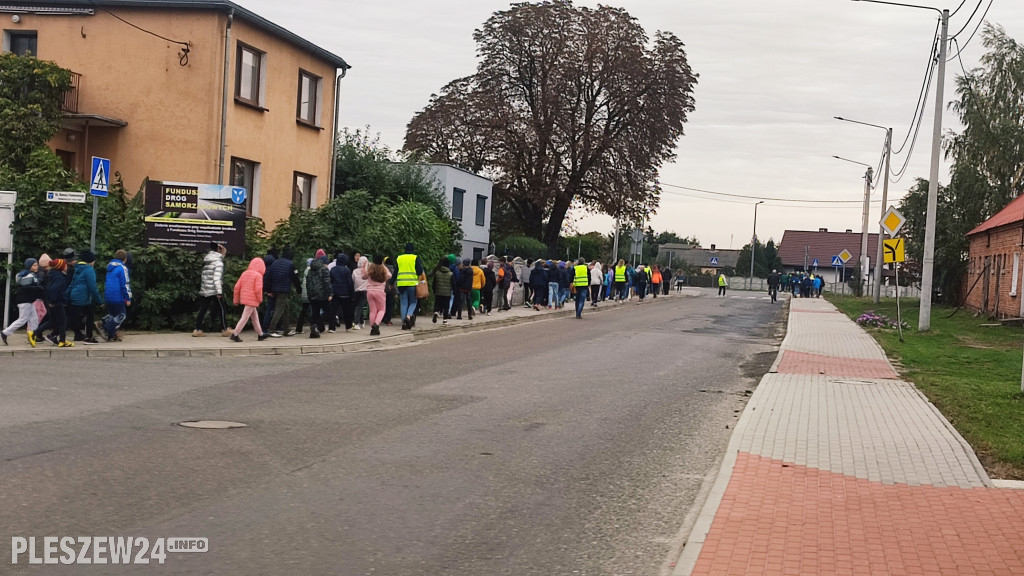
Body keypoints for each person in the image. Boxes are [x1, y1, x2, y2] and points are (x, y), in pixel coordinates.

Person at [1, 258, 43, 346]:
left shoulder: (28, 274)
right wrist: (38, 288)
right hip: (25, 301)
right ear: (29, 266)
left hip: (29, 301)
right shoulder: (29, 276)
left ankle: (32, 335)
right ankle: (5, 333)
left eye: (36, 265)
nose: (36, 266)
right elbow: (26, 288)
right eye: (34, 265)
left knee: (34, 319)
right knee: (22, 319)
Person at [193, 242, 229, 337]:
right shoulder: (218, 263)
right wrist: (219, 292)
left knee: (203, 309)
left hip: (206, 289)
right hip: (214, 290)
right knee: (222, 309)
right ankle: (225, 329)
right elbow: (216, 278)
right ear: (219, 250)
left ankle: (197, 329)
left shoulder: (208, 261)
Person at [229, 258, 269, 342]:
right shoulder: (258, 275)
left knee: (254, 317)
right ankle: (235, 334)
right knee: (245, 317)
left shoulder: (244, 273)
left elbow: (237, 287)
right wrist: (260, 299)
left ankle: (260, 334)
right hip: (253, 300)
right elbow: (258, 289)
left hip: (245, 299)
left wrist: (236, 299)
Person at [264, 247, 301, 337]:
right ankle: (271, 329)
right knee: (279, 310)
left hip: (274, 289)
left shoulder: (275, 262)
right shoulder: (290, 264)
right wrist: (299, 289)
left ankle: (286, 329)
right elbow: (295, 278)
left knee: (285, 309)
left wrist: (268, 290)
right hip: (283, 290)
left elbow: (269, 276)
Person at [67, 250, 101, 344]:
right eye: (93, 260)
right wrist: (99, 301)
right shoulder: (89, 270)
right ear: (90, 261)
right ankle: (89, 337)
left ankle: (78, 334)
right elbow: (92, 287)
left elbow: (72, 283)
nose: (94, 262)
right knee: (90, 315)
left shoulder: (78, 268)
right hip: (83, 297)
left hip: (75, 295)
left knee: (74, 316)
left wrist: (66, 296)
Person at [99, 249, 132, 342]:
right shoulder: (122, 268)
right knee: (121, 315)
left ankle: (111, 335)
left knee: (113, 315)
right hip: (118, 296)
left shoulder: (110, 268)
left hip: (109, 295)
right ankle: (106, 327)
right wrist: (127, 297)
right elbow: (125, 284)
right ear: (125, 259)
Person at [37, 258, 70, 346]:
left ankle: (35, 332)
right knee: (63, 321)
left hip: (53, 302)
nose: (67, 267)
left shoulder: (53, 275)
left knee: (52, 321)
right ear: (61, 267)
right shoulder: (60, 277)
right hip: (57, 302)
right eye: (65, 265)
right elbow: (54, 290)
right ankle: (62, 341)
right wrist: (53, 301)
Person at [395, 243, 424, 330]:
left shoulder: (399, 258)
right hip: (412, 283)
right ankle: (408, 317)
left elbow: (395, 271)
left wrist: (391, 282)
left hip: (401, 284)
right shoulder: (415, 258)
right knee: (413, 302)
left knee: (403, 303)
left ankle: (404, 322)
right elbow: (419, 271)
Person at [305, 253, 332, 338]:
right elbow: (327, 282)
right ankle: (317, 325)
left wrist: (309, 294)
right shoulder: (324, 269)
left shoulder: (310, 271)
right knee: (328, 312)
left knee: (315, 312)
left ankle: (314, 329)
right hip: (323, 294)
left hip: (312, 295)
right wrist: (330, 293)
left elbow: (308, 284)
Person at [364, 255, 392, 335]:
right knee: (382, 309)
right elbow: (390, 275)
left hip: (370, 291)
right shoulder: (383, 269)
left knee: (373, 311)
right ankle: (376, 324)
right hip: (380, 291)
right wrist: (383, 266)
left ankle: (373, 328)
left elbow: (365, 276)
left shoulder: (371, 269)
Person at [330, 253, 355, 331]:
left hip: (335, 293)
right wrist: (352, 294)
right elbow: (350, 283)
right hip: (345, 294)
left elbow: (330, 281)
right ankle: (348, 326)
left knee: (333, 311)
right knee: (346, 311)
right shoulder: (346, 270)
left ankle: (332, 327)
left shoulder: (333, 269)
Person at [431, 256, 454, 325]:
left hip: (438, 292)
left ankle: (436, 312)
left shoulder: (437, 273)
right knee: (446, 306)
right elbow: (453, 284)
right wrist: (452, 290)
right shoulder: (450, 274)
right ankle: (445, 320)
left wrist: (434, 290)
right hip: (447, 293)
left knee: (437, 303)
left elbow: (434, 283)